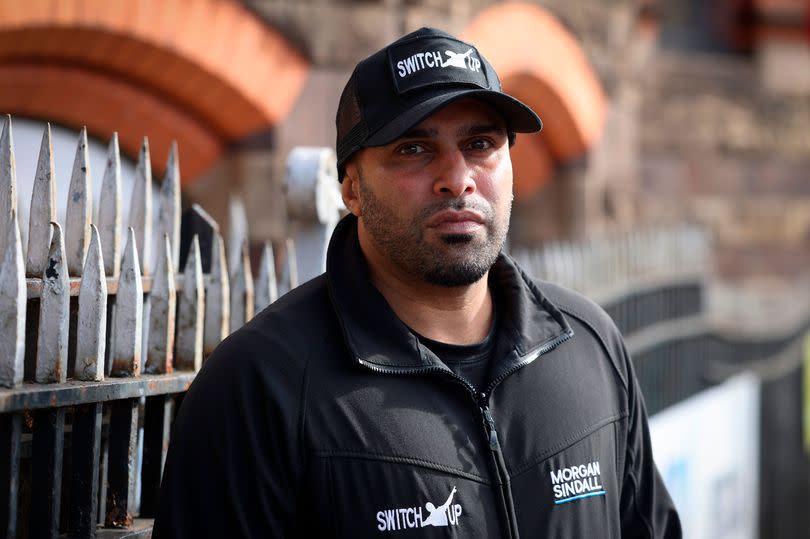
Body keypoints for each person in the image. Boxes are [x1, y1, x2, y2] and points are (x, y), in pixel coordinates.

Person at [152, 27, 681, 538]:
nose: (458, 176)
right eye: (413, 148)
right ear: (353, 189)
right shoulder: (259, 385)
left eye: (480, 143)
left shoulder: (589, 344)